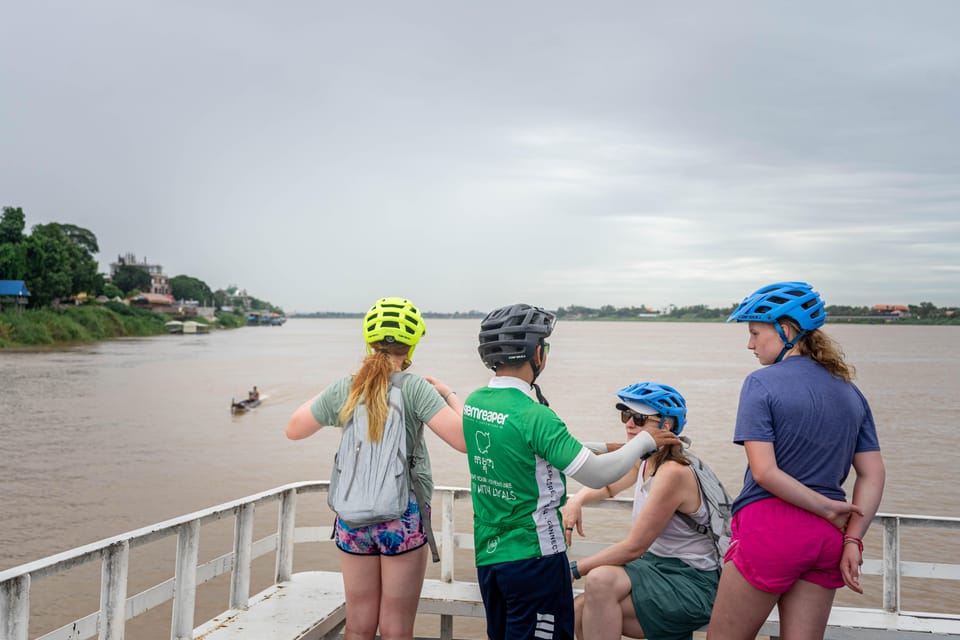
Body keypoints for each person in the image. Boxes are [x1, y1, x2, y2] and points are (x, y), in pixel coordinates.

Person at [462, 304, 681, 640]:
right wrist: (644, 442)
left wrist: (607, 446)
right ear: (537, 352)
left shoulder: (476, 403)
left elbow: (529, 448)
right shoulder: (535, 415)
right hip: (534, 558)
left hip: (489, 557)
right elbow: (595, 475)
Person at [707, 282, 886, 640]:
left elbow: (765, 472)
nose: (750, 344)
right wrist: (852, 540)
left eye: (755, 333)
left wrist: (823, 507)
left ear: (785, 330)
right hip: (827, 540)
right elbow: (874, 474)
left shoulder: (760, 384)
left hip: (771, 528)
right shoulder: (851, 392)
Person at [286, 297, 466, 640]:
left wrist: (342, 386)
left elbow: (294, 429)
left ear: (368, 341)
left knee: (359, 624)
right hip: (404, 517)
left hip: (352, 518)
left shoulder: (347, 387)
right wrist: (449, 394)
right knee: (396, 626)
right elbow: (464, 441)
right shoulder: (415, 388)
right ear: (411, 344)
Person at [562, 382, 720, 640]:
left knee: (598, 582)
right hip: (656, 567)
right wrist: (577, 500)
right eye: (626, 415)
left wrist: (573, 569)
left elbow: (634, 547)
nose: (628, 424)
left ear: (666, 426)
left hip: (692, 581)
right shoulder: (647, 459)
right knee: (579, 610)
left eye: (638, 418)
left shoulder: (673, 472)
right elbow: (609, 486)